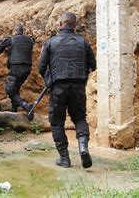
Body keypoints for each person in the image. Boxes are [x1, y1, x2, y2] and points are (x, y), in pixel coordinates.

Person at [38, 12, 96, 169]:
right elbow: (93, 65)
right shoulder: (83, 42)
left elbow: (41, 67)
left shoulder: (50, 43)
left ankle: (65, 159)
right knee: (79, 118)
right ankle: (83, 148)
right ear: (74, 25)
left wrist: (48, 78)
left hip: (58, 87)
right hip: (78, 86)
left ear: (60, 24)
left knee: (57, 122)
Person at [0, 25, 34, 120]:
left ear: (15, 31)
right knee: (15, 89)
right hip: (27, 69)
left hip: (16, 69)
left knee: (9, 89)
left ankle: (25, 105)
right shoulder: (29, 40)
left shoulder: (11, 39)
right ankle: (14, 111)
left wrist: (1, 44)